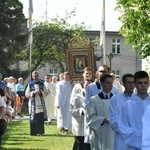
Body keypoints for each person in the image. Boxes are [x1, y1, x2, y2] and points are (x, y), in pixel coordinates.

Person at [118, 71, 150, 149]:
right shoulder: (127, 106)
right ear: (135, 84)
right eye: (140, 83)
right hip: (133, 146)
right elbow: (123, 128)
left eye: (145, 83)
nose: (143, 85)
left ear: (149, 83)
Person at [85, 74, 114, 150]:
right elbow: (89, 118)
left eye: (111, 83)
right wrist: (103, 119)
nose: (110, 85)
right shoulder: (94, 100)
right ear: (102, 83)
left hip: (113, 133)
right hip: (99, 133)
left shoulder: (116, 99)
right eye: (108, 83)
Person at [108, 73, 135, 150]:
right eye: (129, 82)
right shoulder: (115, 100)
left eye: (133, 82)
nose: (131, 85)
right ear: (123, 84)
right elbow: (113, 120)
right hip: (121, 139)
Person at [70, 67, 93, 150]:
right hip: (80, 120)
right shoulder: (77, 87)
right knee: (79, 143)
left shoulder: (94, 87)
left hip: (90, 121)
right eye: (86, 73)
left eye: (90, 73)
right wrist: (81, 111)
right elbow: (72, 105)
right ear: (83, 74)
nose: (88, 75)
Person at [25, 71, 48, 136]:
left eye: (37, 76)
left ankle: (41, 132)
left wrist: (40, 92)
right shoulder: (30, 84)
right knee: (33, 118)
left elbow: (46, 92)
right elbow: (27, 94)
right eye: (34, 76)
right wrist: (33, 93)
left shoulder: (42, 83)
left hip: (40, 103)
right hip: (33, 103)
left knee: (40, 118)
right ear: (32, 77)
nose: (36, 77)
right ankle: (33, 132)